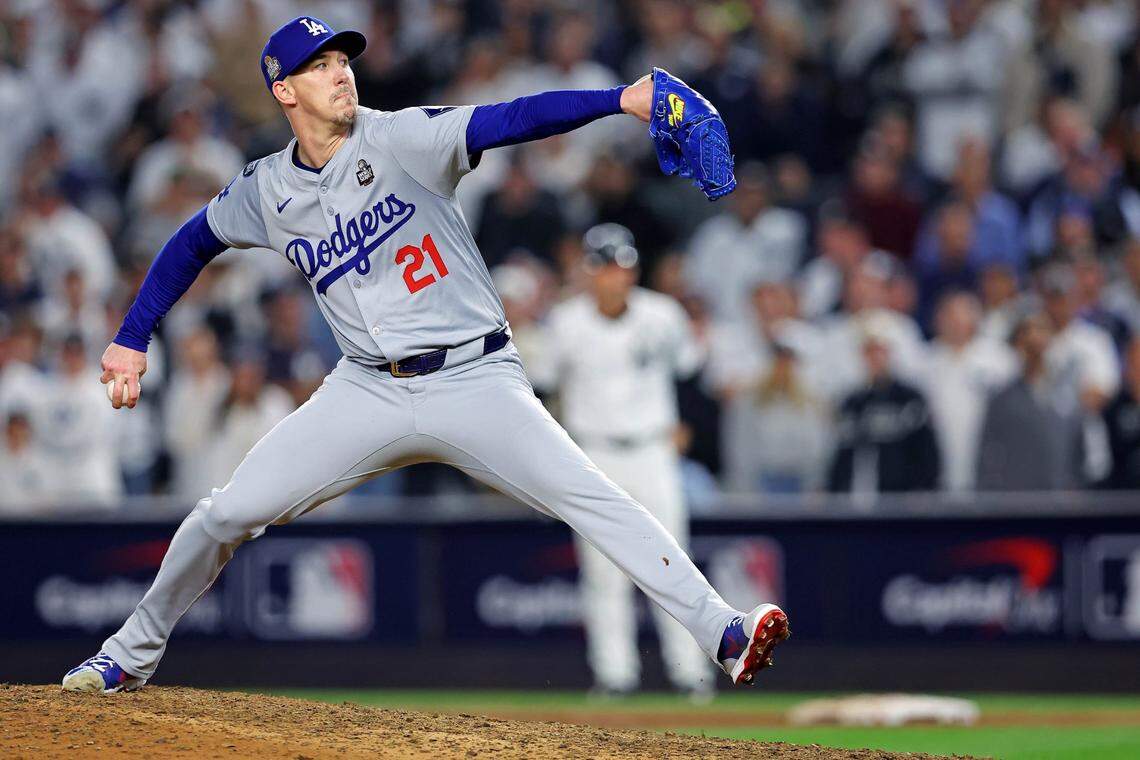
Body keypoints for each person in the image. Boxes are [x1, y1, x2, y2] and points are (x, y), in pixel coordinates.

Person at [62, 16, 787, 694]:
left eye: (343, 60)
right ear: (284, 91)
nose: (341, 73)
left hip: (475, 377)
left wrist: (622, 98)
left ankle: (722, 631)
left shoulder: (401, 137)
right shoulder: (267, 189)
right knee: (224, 515)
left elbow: (512, 118)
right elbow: (191, 241)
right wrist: (131, 336)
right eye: (319, 66)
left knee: (594, 500)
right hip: (366, 390)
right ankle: (128, 654)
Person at [529, 224, 712, 699]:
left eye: (623, 267)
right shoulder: (566, 322)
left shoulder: (662, 315)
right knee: (603, 571)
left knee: (673, 562)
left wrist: (688, 427)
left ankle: (690, 674)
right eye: (608, 268)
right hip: (594, 452)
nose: (617, 277)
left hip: (652, 449)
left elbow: (691, 373)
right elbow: (540, 387)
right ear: (590, 272)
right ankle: (615, 675)